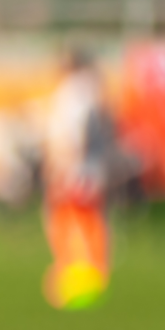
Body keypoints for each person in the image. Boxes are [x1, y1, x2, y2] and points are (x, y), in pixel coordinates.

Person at [42, 49, 116, 310]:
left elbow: (73, 135)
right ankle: (92, 273)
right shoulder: (90, 90)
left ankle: (76, 274)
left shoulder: (73, 92)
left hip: (76, 171)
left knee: (67, 221)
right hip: (90, 170)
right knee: (89, 222)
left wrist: (64, 163)